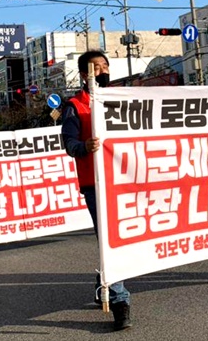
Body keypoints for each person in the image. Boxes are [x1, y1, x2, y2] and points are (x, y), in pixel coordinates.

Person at [61, 50, 132, 331]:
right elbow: (68, 143)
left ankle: (104, 282)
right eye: (96, 68)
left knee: (120, 237)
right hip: (96, 184)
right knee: (110, 239)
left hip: (126, 181)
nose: (102, 71)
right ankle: (120, 301)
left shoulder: (120, 101)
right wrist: (84, 147)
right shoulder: (75, 105)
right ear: (83, 74)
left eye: (105, 66)